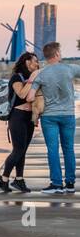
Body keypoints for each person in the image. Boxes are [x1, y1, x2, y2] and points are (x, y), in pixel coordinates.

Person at [31, 42, 80, 195]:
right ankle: (70, 183)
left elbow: (30, 96)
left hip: (49, 117)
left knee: (53, 150)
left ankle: (57, 184)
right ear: (57, 54)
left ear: (46, 56)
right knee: (68, 149)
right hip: (68, 115)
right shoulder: (70, 69)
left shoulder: (41, 74)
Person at [0, 51, 39, 193]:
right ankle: (3, 179)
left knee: (23, 150)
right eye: (35, 61)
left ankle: (19, 180)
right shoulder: (16, 77)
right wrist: (32, 79)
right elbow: (21, 94)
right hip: (17, 117)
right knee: (18, 150)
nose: (37, 64)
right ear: (27, 62)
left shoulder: (32, 77)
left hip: (29, 117)